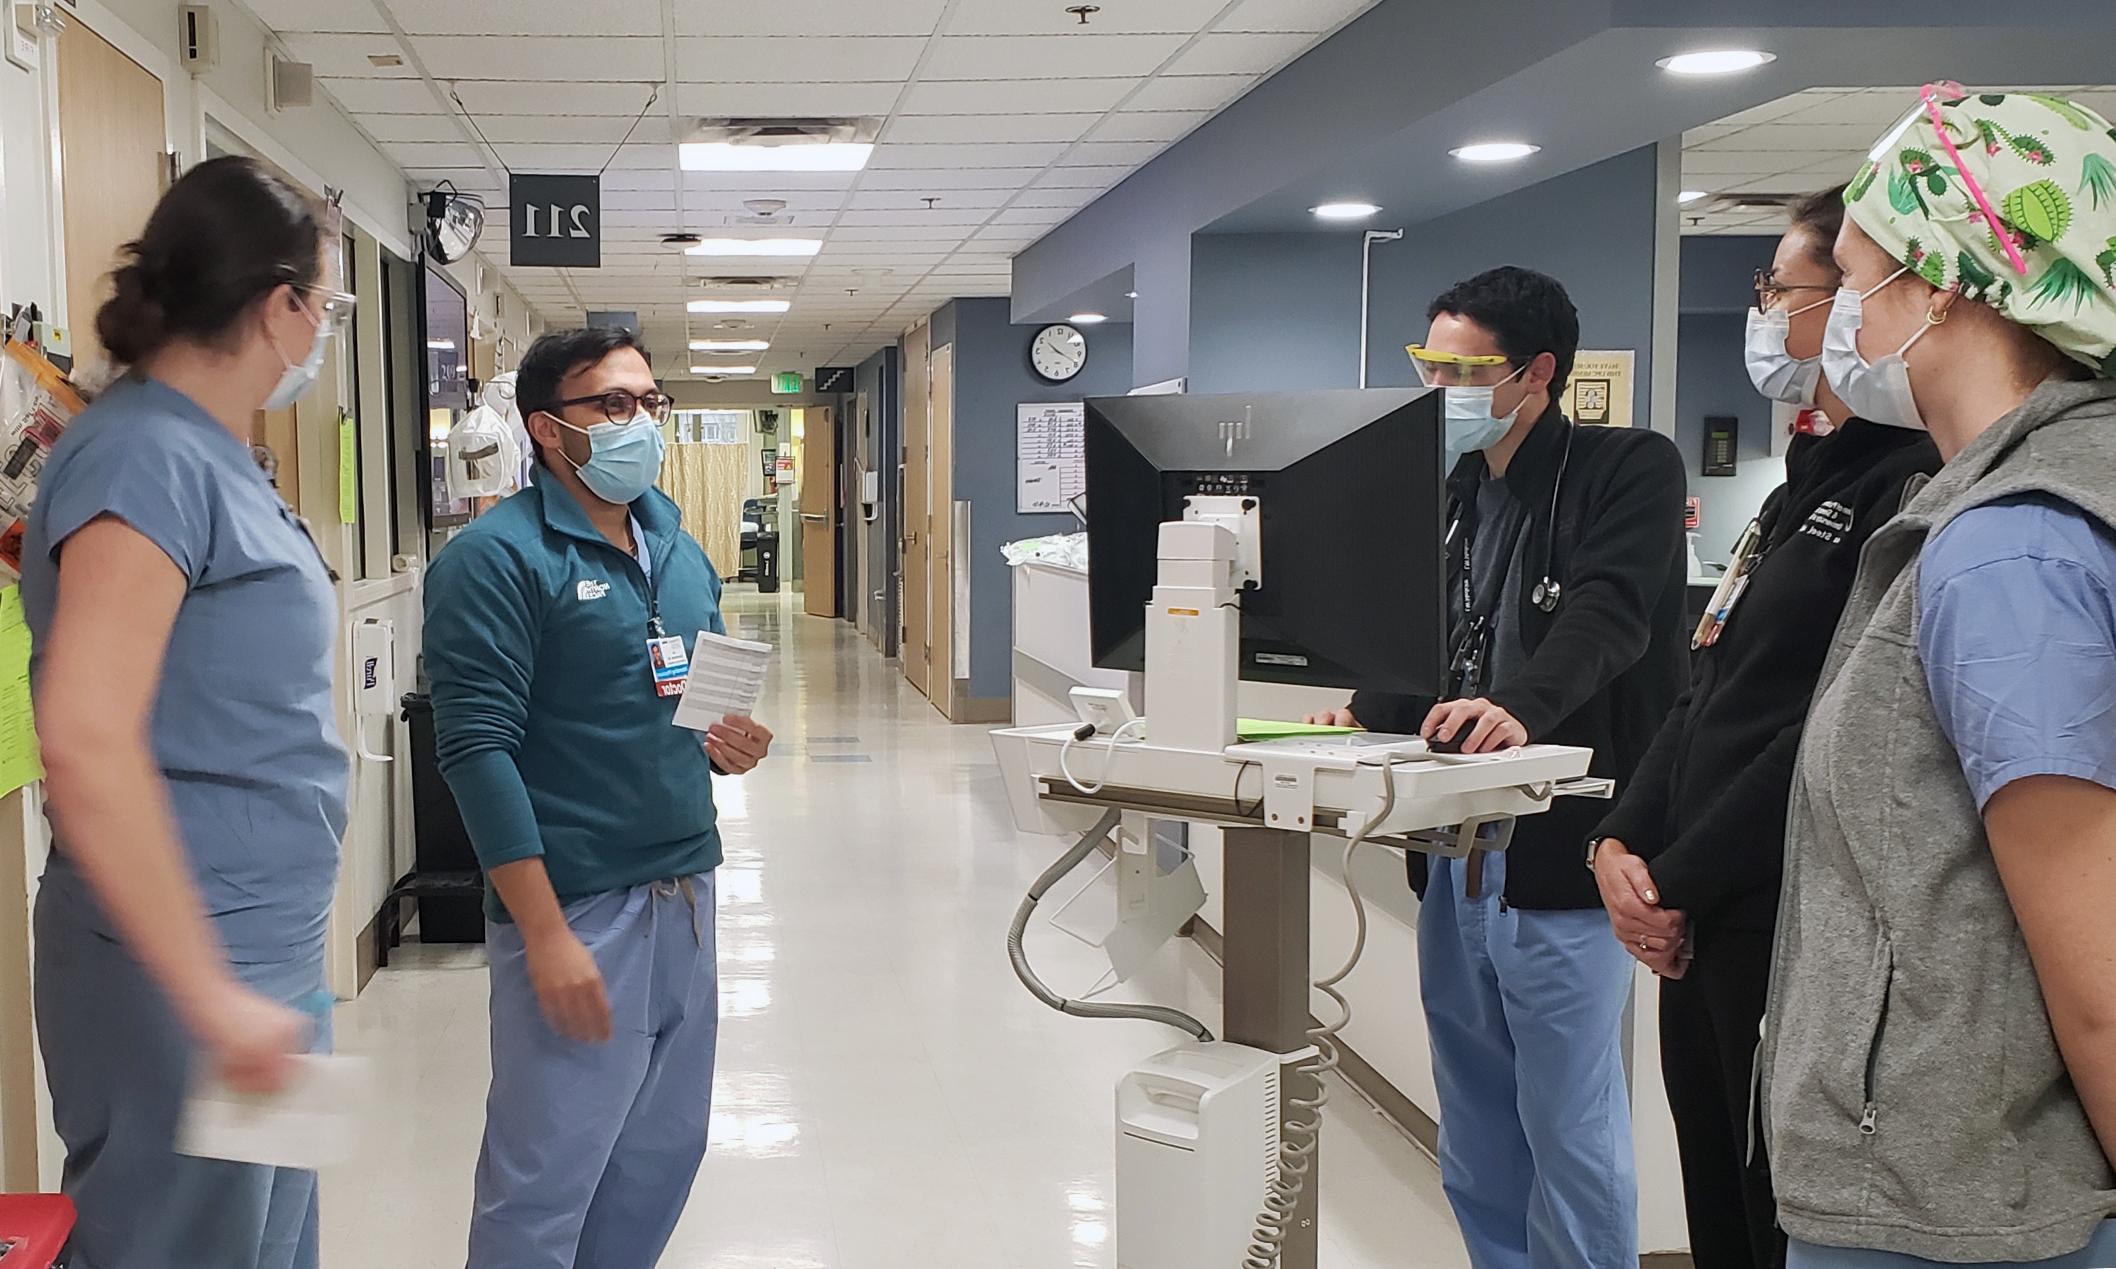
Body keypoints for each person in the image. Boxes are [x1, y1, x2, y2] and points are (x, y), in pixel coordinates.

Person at [1759, 87, 2116, 1268]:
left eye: (1854, 277)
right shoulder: (1985, 509)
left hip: (1959, 1206)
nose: (1839, 319)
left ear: (1947, 283)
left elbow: (2096, 969)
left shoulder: (2012, 548)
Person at [1589, 187, 1940, 1269]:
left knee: (1766, 1208)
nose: (1768, 315)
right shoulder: (1808, 481)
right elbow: (1707, 682)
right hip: (1695, 908)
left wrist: (1678, 879)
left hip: (1775, 913)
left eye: (1780, 291)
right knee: (1713, 1201)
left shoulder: (1913, 485)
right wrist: (1620, 842)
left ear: (1856, 305)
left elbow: (1831, 723)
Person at [1311, 265, 1688, 1268]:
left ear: (1535, 373)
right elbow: (1429, 629)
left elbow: (1609, 617)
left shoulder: (1626, 468)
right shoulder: (1447, 489)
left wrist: (1517, 708)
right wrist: (1361, 710)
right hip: (1455, 846)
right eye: (1424, 365)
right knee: (1475, 1120)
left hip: (1564, 848)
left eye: (1460, 369)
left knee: (1566, 1120)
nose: (1438, 390)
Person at [22, 156, 352, 1268]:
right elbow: (85, 733)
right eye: (329, 304)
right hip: (179, 976)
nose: (325, 329)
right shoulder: (144, 459)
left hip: (264, 958)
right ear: (281, 306)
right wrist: (209, 995)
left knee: (266, 1247)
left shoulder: (221, 461)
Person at [424, 326, 774, 1268]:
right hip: (578, 905)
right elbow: (476, 752)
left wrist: (728, 745)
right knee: (545, 1177)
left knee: (660, 1154)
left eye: (649, 403)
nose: (639, 424)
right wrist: (543, 931)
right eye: (612, 405)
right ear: (548, 428)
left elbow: (686, 701)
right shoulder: (497, 560)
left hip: (686, 894)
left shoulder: (673, 543)